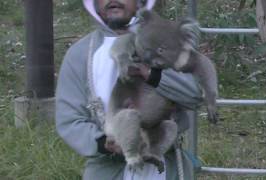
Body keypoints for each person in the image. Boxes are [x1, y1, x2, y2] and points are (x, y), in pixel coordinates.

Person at [55, 0, 203, 179]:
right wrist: (105, 143)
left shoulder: (167, 41)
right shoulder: (80, 54)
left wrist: (151, 74)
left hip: (164, 165)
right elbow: (70, 119)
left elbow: (194, 95)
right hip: (108, 170)